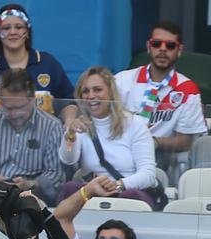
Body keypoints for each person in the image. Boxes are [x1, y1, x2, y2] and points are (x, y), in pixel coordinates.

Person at [114, 21, 208, 172]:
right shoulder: (122, 80)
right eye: (157, 44)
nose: (163, 49)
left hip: (159, 157)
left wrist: (153, 142)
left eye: (170, 45)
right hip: (120, 151)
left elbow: (185, 142)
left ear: (179, 50)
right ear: (148, 47)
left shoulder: (188, 89)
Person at [0, 68, 65, 204]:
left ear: (32, 99)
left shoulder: (52, 126)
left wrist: (31, 183)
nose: (13, 114)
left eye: (19, 107)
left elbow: (55, 173)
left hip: (32, 196)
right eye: (7, 107)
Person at [59, 67, 158, 207]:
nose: (91, 96)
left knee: (129, 197)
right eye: (85, 91)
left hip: (128, 189)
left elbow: (148, 174)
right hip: (93, 190)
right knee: (69, 189)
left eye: (97, 90)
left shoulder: (135, 123)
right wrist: (70, 134)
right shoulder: (80, 125)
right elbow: (68, 160)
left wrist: (116, 185)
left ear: (111, 93)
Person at [0, 4, 75, 126]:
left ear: (27, 31)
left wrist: (69, 121)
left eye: (19, 27)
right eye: (6, 28)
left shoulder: (48, 63)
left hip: (46, 139)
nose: (13, 32)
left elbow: (70, 102)